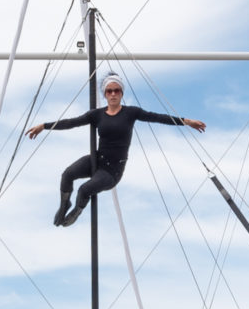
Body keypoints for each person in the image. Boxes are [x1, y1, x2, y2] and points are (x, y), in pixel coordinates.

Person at [27, 74, 205, 226]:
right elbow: (71, 122)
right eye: (109, 91)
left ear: (121, 93)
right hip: (97, 159)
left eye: (116, 90)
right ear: (105, 94)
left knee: (84, 190)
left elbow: (157, 117)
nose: (113, 94)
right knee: (67, 174)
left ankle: (77, 211)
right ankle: (64, 205)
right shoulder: (96, 114)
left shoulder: (131, 113)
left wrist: (186, 121)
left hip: (112, 171)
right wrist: (44, 126)